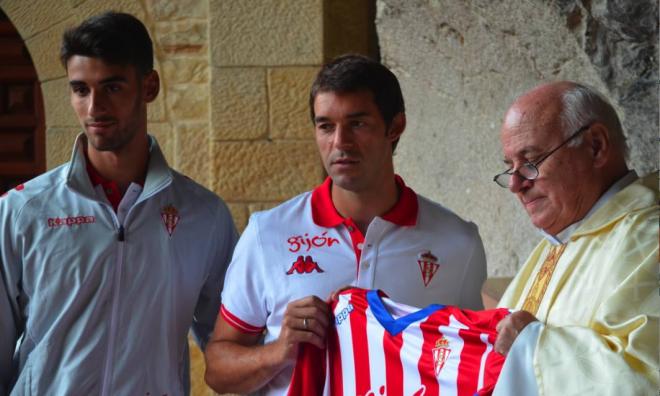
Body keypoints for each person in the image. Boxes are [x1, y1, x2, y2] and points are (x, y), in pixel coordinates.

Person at [204, 54, 488, 395]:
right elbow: (217, 370)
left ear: (395, 126)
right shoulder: (269, 234)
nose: (340, 142)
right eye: (326, 126)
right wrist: (279, 352)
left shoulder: (458, 242)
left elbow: (475, 365)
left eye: (358, 124)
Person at [0, 12, 237, 395]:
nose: (94, 108)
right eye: (80, 89)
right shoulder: (22, 212)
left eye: (111, 87)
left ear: (149, 86)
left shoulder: (204, 215)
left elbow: (232, 349)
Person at [490, 81, 658, 395]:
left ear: (595, 146)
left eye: (530, 163)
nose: (515, 184)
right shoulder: (556, 244)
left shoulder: (651, 240)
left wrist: (532, 347)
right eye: (509, 168)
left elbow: (646, 377)